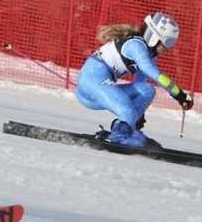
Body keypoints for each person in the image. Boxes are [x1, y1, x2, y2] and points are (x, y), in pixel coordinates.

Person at [74, 12, 193, 147]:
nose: (167, 49)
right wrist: (179, 94)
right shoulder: (136, 45)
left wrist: (138, 115)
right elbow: (153, 72)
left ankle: (125, 129)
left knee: (147, 90)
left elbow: (141, 83)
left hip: (99, 87)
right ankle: (119, 136)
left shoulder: (147, 53)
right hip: (90, 85)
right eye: (167, 42)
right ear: (154, 37)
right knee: (128, 110)